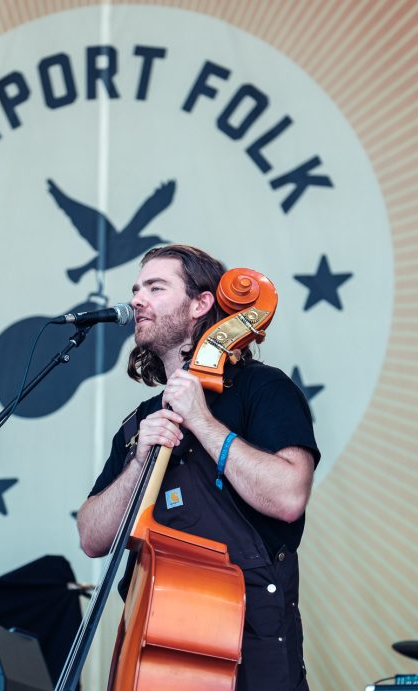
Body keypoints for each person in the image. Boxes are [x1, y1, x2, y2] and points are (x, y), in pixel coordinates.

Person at [76, 245, 320, 690]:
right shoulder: (140, 423)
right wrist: (140, 461)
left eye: (156, 287)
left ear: (201, 304)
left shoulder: (263, 390)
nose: (137, 300)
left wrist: (202, 422)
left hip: (251, 652)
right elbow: (92, 538)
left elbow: (288, 497)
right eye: (136, 289)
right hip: (161, 657)